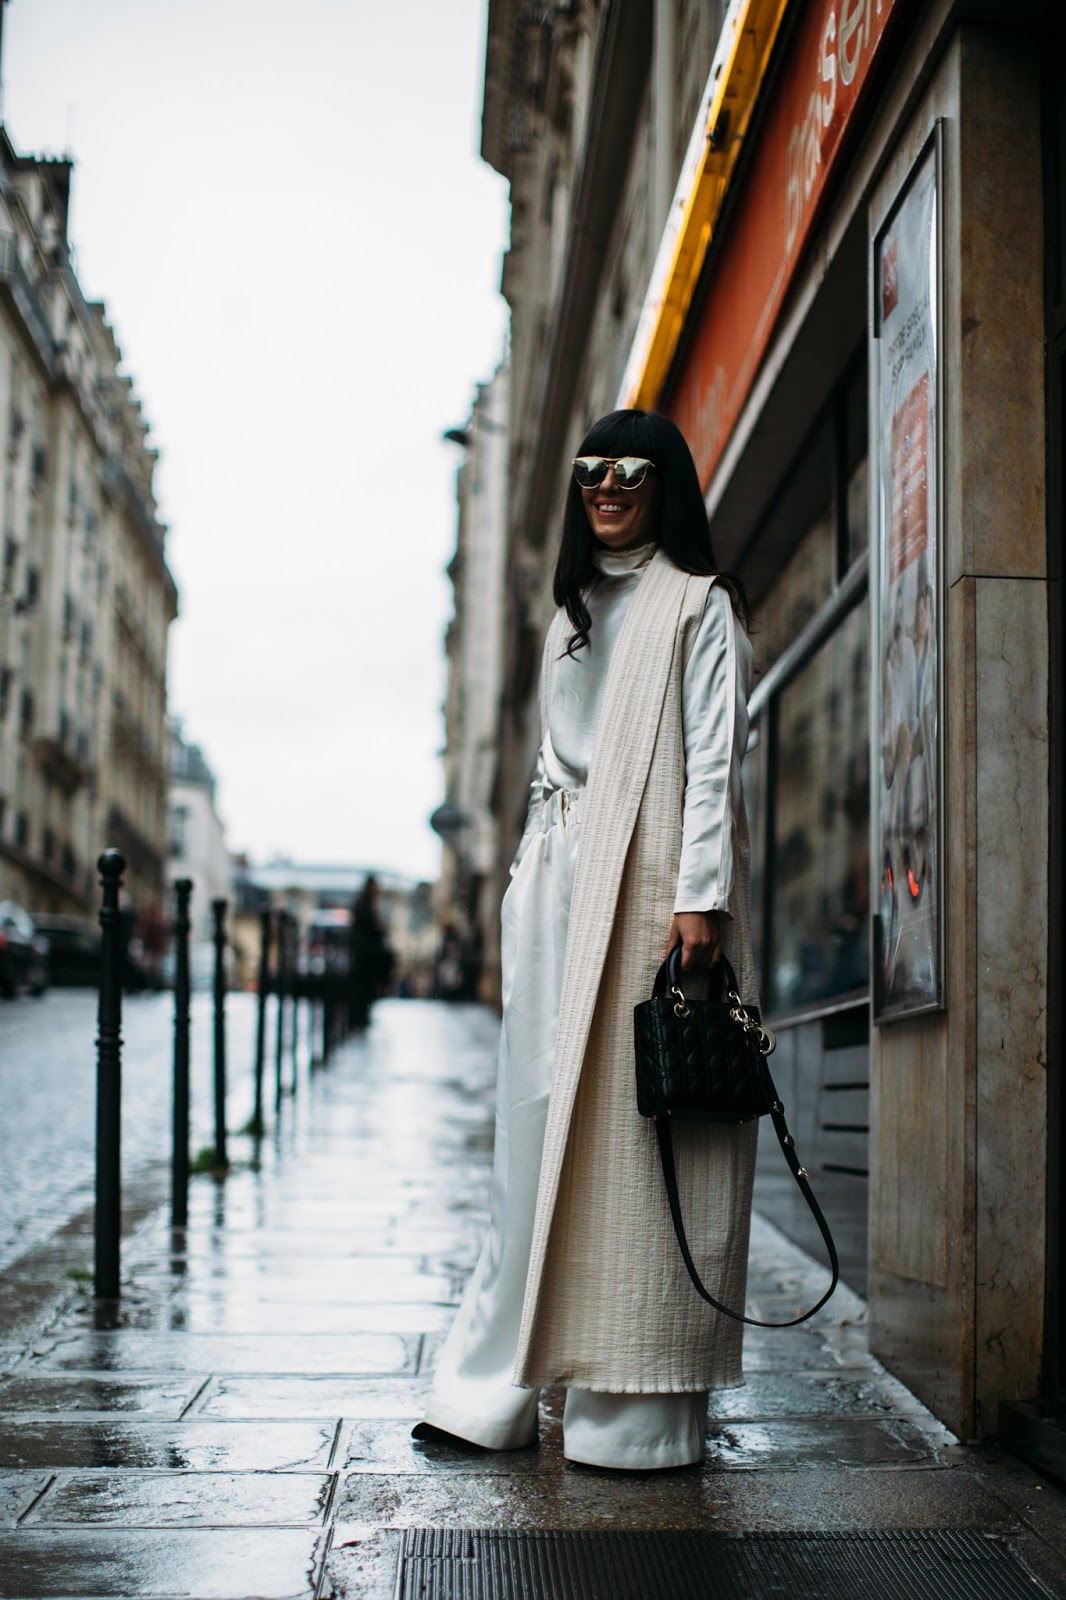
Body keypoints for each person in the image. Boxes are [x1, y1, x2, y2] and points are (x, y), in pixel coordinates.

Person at [414, 409, 759, 1471]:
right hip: (554, 883)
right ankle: (494, 1388)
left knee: (633, 1130)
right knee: (530, 1130)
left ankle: (632, 1408)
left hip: (652, 880)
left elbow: (715, 753)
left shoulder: (698, 605)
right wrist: (523, 881)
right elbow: (549, 761)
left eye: (629, 473)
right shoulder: (569, 609)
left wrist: (699, 894)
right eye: (590, 472)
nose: (606, 488)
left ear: (665, 485)